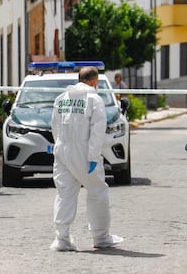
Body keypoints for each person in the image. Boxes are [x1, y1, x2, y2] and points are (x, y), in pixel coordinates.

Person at [50, 66, 123, 251]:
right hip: (83, 151)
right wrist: (93, 156)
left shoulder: (62, 98)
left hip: (62, 150)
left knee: (64, 193)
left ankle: (62, 239)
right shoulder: (94, 99)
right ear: (94, 81)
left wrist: (59, 147)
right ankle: (101, 237)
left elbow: (54, 126)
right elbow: (97, 131)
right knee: (97, 192)